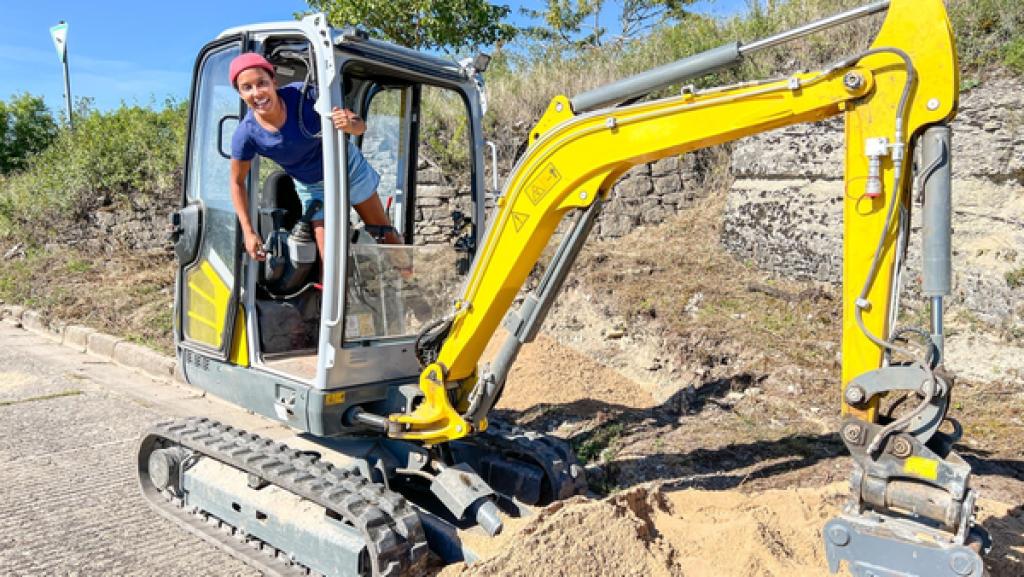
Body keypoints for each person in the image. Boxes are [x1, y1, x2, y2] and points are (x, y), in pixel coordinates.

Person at [228, 52, 401, 264]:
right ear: (240, 93)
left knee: (386, 237)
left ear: (274, 81)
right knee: (329, 260)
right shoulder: (246, 135)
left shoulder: (303, 95)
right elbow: (237, 182)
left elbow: (359, 125)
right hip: (312, 186)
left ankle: (409, 282)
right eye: (247, 87)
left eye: (262, 83)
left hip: (347, 168)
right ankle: (337, 297)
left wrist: (349, 124)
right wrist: (248, 231)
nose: (257, 92)